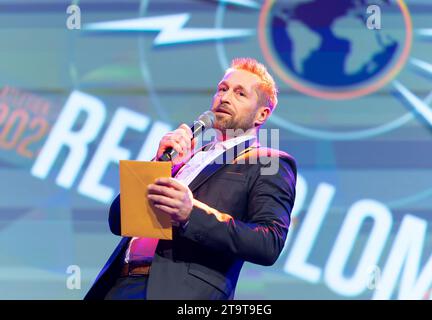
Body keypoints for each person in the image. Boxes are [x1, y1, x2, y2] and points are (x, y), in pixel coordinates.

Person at [84, 57, 297, 300]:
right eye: (222, 89)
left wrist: (190, 214)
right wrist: (160, 164)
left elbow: (268, 242)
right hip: (118, 285)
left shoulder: (270, 160)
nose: (225, 98)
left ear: (262, 114)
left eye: (240, 94)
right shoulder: (186, 158)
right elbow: (119, 220)